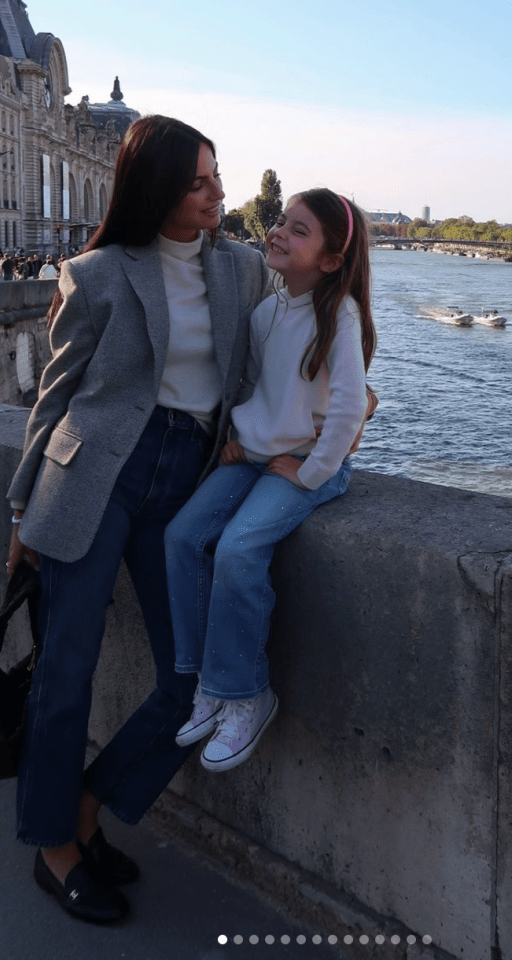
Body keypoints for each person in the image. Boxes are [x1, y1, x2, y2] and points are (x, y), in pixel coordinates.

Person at [5, 115, 270, 924]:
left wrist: (341, 407)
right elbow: (54, 397)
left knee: (191, 682)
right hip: (94, 476)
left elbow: (288, 352)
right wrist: (20, 508)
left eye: (218, 175)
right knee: (66, 672)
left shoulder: (244, 271)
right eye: (198, 182)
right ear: (155, 188)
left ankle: (88, 808)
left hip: (184, 477)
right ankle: (55, 851)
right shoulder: (99, 273)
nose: (218, 193)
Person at [165, 188, 377, 773]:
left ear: (332, 261)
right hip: (258, 456)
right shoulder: (268, 311)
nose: (280, 232)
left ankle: (246, 693)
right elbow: (258, 386)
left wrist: (310, 472)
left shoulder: (341, 315)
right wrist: (241, 433)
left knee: (237, 547)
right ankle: (209, 680)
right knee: (182, 537)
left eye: (299, 230)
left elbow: (348, 410)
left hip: (306, 467)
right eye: (282, 222)